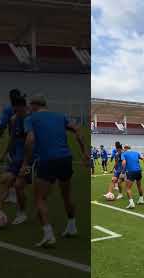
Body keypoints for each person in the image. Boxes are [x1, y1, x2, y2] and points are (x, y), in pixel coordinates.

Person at [20, 94, 88, 247]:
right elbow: (78, 130)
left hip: (47, 160)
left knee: (40, 198)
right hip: (65, 159)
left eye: (30, 106)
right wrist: (84, 152)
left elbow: (30, 140)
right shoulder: (61, 116)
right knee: (66, 195)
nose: (29, 108)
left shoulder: (31, 119)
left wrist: (25, 163)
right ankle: (72, 227)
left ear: (34, 105)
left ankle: (48, 235)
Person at [0, 96, 33, 225]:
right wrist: (5, 154)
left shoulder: (31, 120)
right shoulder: (14, 119)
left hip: (30, 158)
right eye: (14, 110)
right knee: (5, 179)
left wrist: (27, 162)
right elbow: (13, 139)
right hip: (17, 157)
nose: (16, 112)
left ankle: (21, 213)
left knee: (19, 186)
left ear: (24, 107)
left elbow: (33, 141)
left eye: (18, 110)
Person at [121, 144, 144, 209]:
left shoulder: (124, 154)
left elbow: (124, 162)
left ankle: (131, 203)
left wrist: (122, 172)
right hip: (139, 171)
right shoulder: (136, 153)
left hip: (131, 172)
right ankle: (141, 199)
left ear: (125, 148)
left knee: (128, 188)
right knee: (139, 185)